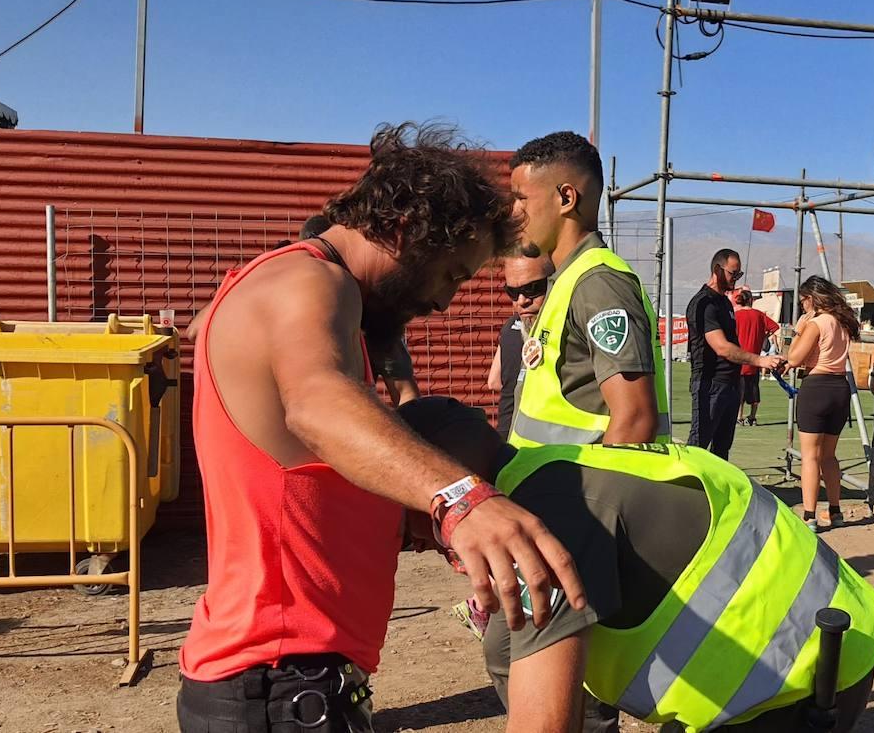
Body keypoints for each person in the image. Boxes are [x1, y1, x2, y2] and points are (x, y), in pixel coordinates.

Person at [176, 123, 586, 732]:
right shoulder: (313, 283)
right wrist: (461, 499)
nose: (444, 302)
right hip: (277, 684)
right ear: (405, 231)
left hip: (279, 682)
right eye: (450, 274)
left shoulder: (284, 281)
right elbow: (316, 403)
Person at [396, 396, 874, 733]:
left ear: (449, 488)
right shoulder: (556, 470)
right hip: (832, 646)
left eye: (408, 528)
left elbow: (544, 724)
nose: (415, 548)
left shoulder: (543, 525)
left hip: (795, 690)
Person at [507, 131, 667, 447]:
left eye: (521, 198)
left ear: (566, 198)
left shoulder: (599, 284)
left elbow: (635, 420)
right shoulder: (568, 278)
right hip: (546, 488)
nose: (514, 212)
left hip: (574, 494)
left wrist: (585, 497)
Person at [186, 214, 421, 406]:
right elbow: (196, 329)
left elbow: (405, 394)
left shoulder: (370, 321)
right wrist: (255, 278)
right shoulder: (274, 297)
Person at [686, 249, 786, 459]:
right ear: (717, 269)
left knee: (722, 450)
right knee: (697, 448)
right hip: (711, 385)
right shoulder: (704, 303)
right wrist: (760, 360)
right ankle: (688, 491)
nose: (735, 279)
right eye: (733, 273)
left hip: (731, 384)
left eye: (739, 275)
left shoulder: (725, 302)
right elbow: (721, 347)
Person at [786, 276, 859, 531]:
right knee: (829, 455)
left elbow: (793, 358)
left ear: (812, 298)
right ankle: (835, 510)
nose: (802, 307)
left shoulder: (816, 323)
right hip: (840, 389)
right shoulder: (843, 322)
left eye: (803, 301)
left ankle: (809, 515)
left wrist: (798, 330)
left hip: (816, 387)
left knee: (810, 456)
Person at [488, 253, 556, 437]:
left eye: (532, 289)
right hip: (537, 441)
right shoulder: (557, 329)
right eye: (512, 292)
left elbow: (493, 381)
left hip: (505, 434)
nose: (521, 301)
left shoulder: (509, 325)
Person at [733, 289, 781, 426]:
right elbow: (774, 327)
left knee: (739, 391)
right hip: (755, 359)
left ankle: (739, 416)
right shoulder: (759, 315)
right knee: (754, 389)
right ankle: (752, 416)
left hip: (739, 358)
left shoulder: (736, 316)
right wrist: (762, 337)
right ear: (751, 300)